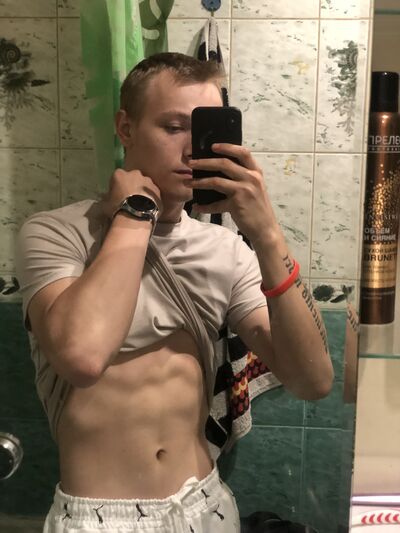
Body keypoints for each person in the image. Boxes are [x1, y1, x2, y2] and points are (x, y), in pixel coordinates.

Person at [15, 52, 334, 533]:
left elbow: (313, 381)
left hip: (204, 504)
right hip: (99, 517)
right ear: (125, 127)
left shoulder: (226, 250)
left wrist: (267, 234)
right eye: (173, 127)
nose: (192, 150)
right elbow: (82, 356)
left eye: (203, 130)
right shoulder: (57, 234)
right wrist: (135, 212)